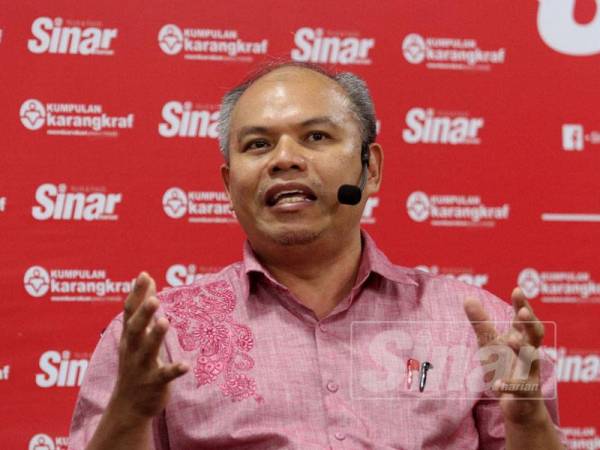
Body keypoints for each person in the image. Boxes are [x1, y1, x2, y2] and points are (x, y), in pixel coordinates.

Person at [68, 62, 566, 449]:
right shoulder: (161, 337)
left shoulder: (477, 325)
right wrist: (128, 415)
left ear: (370, 168)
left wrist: (528, 423)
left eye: (316, 137)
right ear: (228, 185)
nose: (285, 159)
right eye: (258, 144)